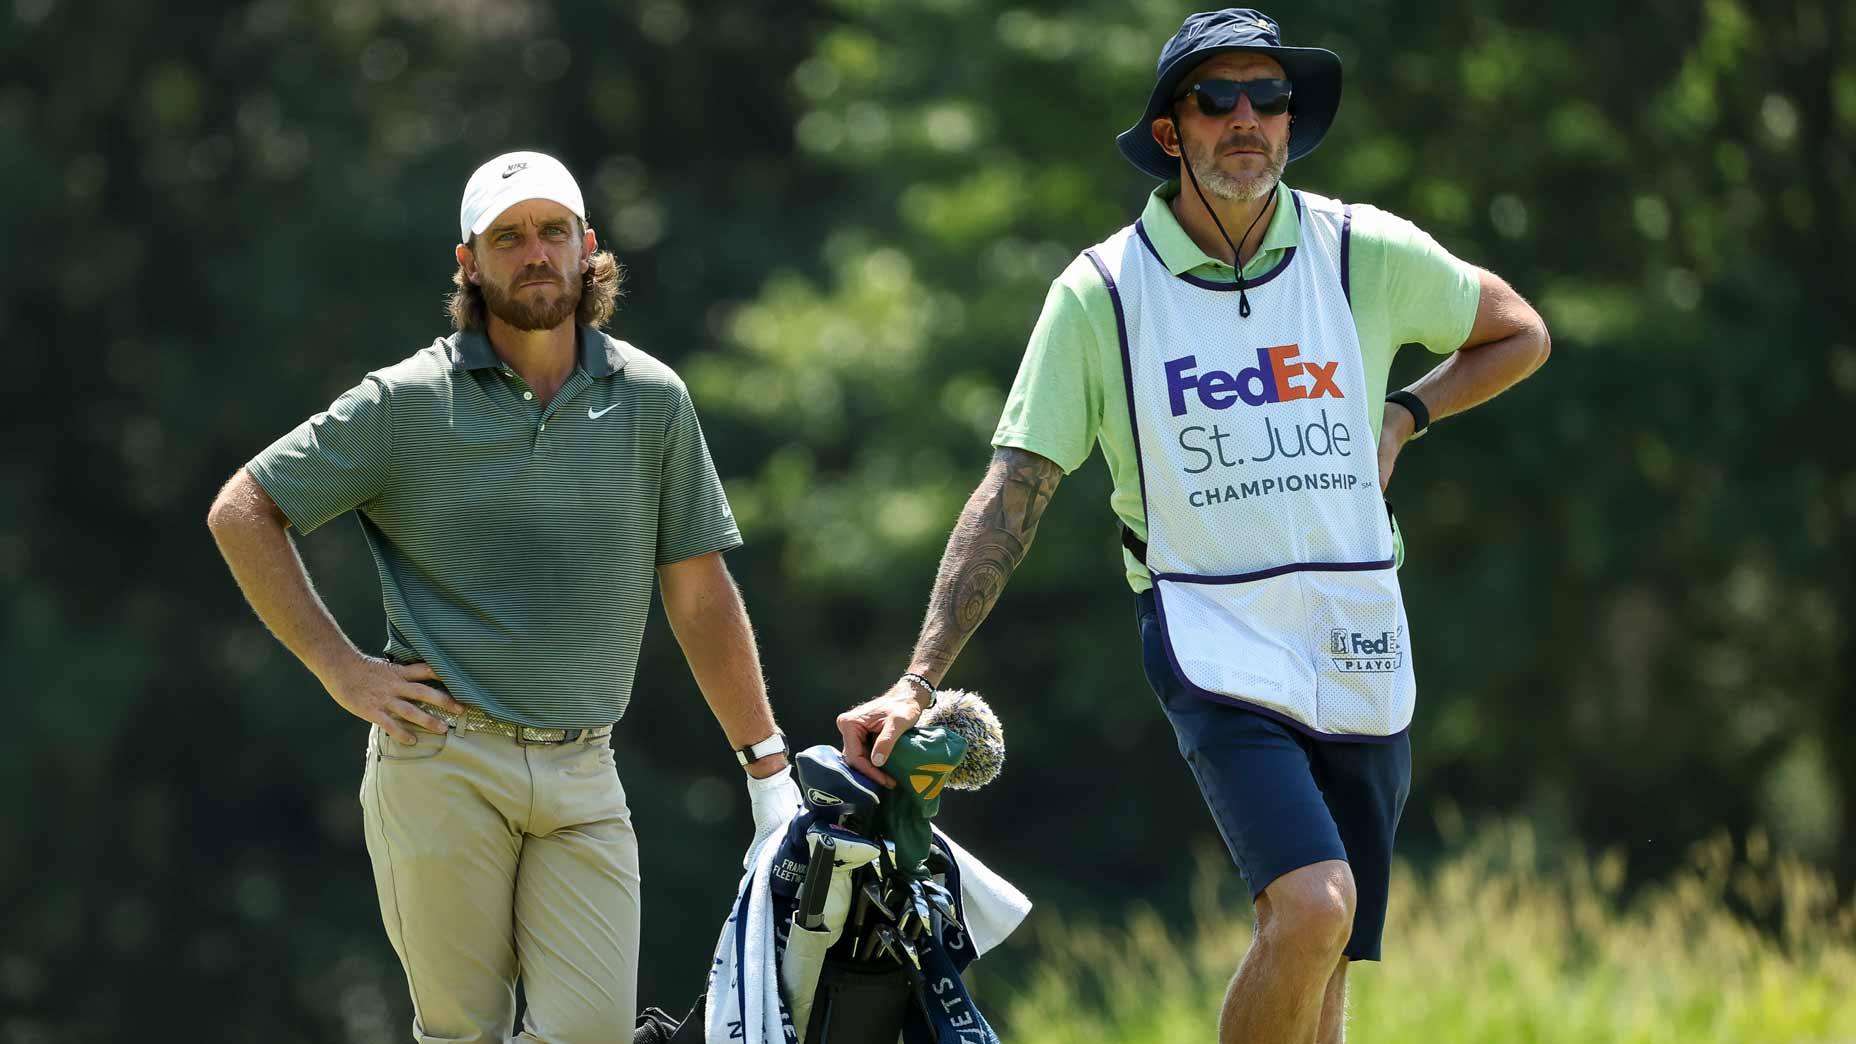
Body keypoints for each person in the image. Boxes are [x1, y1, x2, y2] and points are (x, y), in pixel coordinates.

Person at [836, 10, 1550, 1044]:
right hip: (1210, 631)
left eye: (1267, 98)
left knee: (1327, 960)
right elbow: (1013, 490)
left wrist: (1405, 413)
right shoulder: (1101, 291)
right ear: (1170, 132)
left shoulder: (1360, 249)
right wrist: (916, 678)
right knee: (1310, 908)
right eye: (1215, 100)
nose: (1245, 118)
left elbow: (1514, 331)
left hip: (1356, 625)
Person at [206, 151, 799, 1044]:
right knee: (464, 1034)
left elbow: (699, 592)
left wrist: (766, 764)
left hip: (586, 771)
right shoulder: (406, 402)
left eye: (553, 231)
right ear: (469, 263)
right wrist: (343, 671)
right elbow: (244, 510)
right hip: (442, 759)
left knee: (593, 1033)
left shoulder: (652, 401)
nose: (535, 253)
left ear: (587, 247)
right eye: (508, 237)